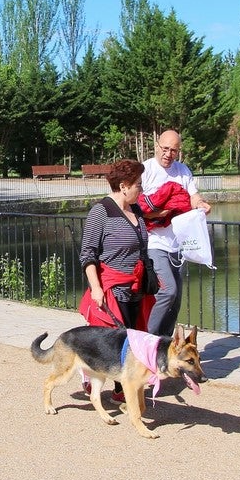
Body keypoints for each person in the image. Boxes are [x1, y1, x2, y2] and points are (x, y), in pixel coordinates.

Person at [78, 158, 151, 402]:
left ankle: (122, 391)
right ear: (123, 186)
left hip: (136, 286)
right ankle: (90, 373)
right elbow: (88, 254)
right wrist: (96, 288)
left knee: (133, 338)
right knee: (112, 341)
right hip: (113, 286)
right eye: (138, 184)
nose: (141, 189)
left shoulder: (137, 210)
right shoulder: (101, 211)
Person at [140, 130, 212, 337]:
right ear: (156, 145)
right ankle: (146, 341)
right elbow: (137, 206)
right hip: (155, 243)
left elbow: (193, 197)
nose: (168, 154)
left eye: (174, 150)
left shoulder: (182, 171)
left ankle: (165, 345)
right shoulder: (146, 170)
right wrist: (163, 212)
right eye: (165, 149)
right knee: (167, 291)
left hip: (178, 246)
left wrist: (201, 204)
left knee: (176, 299)